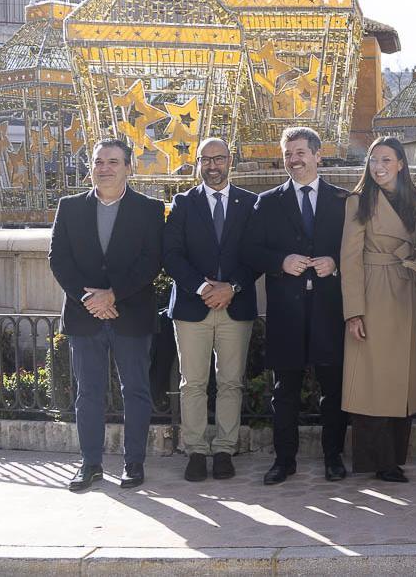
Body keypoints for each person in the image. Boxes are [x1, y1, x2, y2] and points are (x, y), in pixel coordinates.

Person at [49, 138, 164, 491]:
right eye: (99, 161)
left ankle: (134, 464)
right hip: (86, 317)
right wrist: (91, 299)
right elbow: (58, 259)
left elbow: (151, 261)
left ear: (129, 167)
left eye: (113, 161)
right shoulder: (69, 207)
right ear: (91, 168)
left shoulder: (149, 209)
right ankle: (90, 464)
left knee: (136, 391)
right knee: (88, 393)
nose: (105, 168)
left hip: (131, 314)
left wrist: (113, 294)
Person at [243, 127, 348, 485]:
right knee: (283, 392)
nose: (294, 159)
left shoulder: (341, 200)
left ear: (319, 155)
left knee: (333, 390)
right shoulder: (268, 202)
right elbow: (252, 251)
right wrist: (280, 261)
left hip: (329, 311)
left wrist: (335, 262)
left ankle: (334, 457)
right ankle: (283, 460)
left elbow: (356, 251)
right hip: (286, 313)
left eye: (301, 152)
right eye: (289, 153)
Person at [162, 137, 259, 482]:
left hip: (236, 305)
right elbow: (170, 254)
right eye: (206, 160)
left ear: (229, 160)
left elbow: (257, 255)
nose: (212, 166)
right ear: (198, 163)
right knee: (193, 383)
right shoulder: (183, 204)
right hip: (193, 306)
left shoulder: (250, 204)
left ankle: (223, 450)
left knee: (231, 382)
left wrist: (231, 287)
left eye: (218, 159)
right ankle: (196, 451)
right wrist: (203, 287)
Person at [339, 137, 416, 483]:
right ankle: (379, 462)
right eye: (373, 160)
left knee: (402, 380)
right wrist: (354, 312)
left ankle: (397, 455)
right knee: (373, 380)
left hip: (409, 289)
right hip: (375, 293)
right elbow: (349, 261)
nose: (378, 166)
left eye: (386, 160)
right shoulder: (359, 201)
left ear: (400, 164)